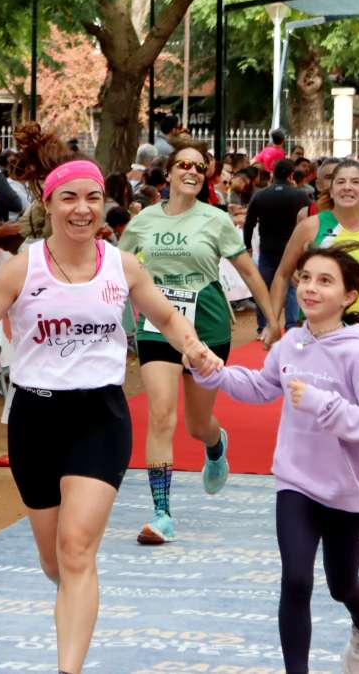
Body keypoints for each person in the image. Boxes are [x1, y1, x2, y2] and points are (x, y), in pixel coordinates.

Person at [0, 124, 221, 674]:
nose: (82, 210)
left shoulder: (121, 265)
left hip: (99, 415)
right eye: (69, 199)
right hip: (33, 418)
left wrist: (194, 349)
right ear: (49, 204)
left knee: (78, 551)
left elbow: (167, 317)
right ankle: (72, 594)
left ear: (106, 204)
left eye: (93, 198)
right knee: (55, 559)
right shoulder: (21, 267)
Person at [195, 243, 359, 674]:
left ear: (347, 295)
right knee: (297, 580)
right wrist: (214, 371)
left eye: (325, 281)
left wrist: (324, 404)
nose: (310, 288)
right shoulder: (291, 344)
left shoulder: (357, 351)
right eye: (305, 278)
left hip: (347, 491)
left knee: (342, 585)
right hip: (296, 481)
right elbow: (263, 386)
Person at [119, 142, 281, 545]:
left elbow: (248, 270)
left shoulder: (216, 220)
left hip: (206, 321)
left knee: (196, 424)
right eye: (183, 165)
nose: (191, 171)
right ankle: (161, 513)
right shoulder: (143, 222)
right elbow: (115, 269)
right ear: (169, 173)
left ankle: (215, 442)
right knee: (160, 414)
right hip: (157, 323)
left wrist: (272, 320)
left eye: (199, 166)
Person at [271, 159, 359, 326]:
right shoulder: (310, 227)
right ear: (331, 190)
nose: (347, 187)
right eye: (340, 182)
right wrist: (272, 323)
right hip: (318, 326)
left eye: (355, 181)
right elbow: (282, 274)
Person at [245, 158, 310, 331]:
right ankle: (291, 325)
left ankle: (263, 326)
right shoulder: (301, 195)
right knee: (291, 287)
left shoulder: (260, 195)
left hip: (267, 248)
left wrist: (247, 245)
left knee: (263, 289)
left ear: (273, 173)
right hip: (292, 249)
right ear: (291, 175)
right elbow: (311, 220)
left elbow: (249, 222)